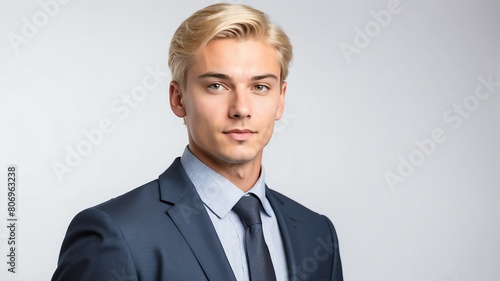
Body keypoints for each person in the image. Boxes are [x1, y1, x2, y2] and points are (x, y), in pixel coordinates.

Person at [52, 3, 343, 281]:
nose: (241, 108)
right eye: (216, 85)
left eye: (260, 87)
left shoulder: (316, 232)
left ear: (280, 100)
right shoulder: (117, 233)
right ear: (178, 99)